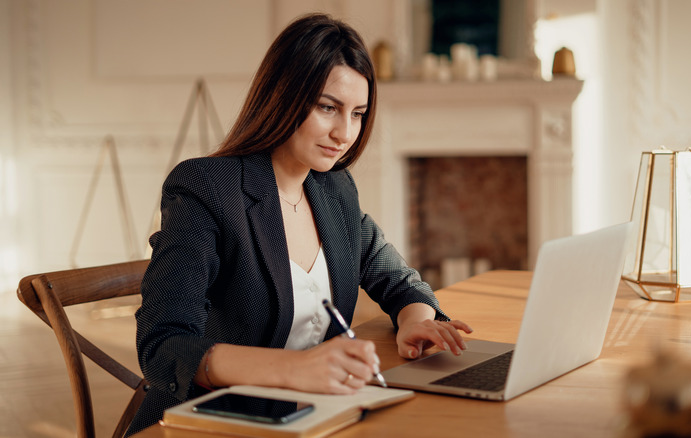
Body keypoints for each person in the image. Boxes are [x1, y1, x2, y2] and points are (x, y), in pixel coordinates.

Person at [126, 13, 472, 436]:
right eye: (328, 107)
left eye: (358, 113)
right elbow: (163, 349)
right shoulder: (206, 188)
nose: (345, 133)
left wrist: (415, 320)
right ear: (283, 96)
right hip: (207, 423)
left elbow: (395, 277)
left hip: (312, 417)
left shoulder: (334, 189)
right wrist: (295, 369)